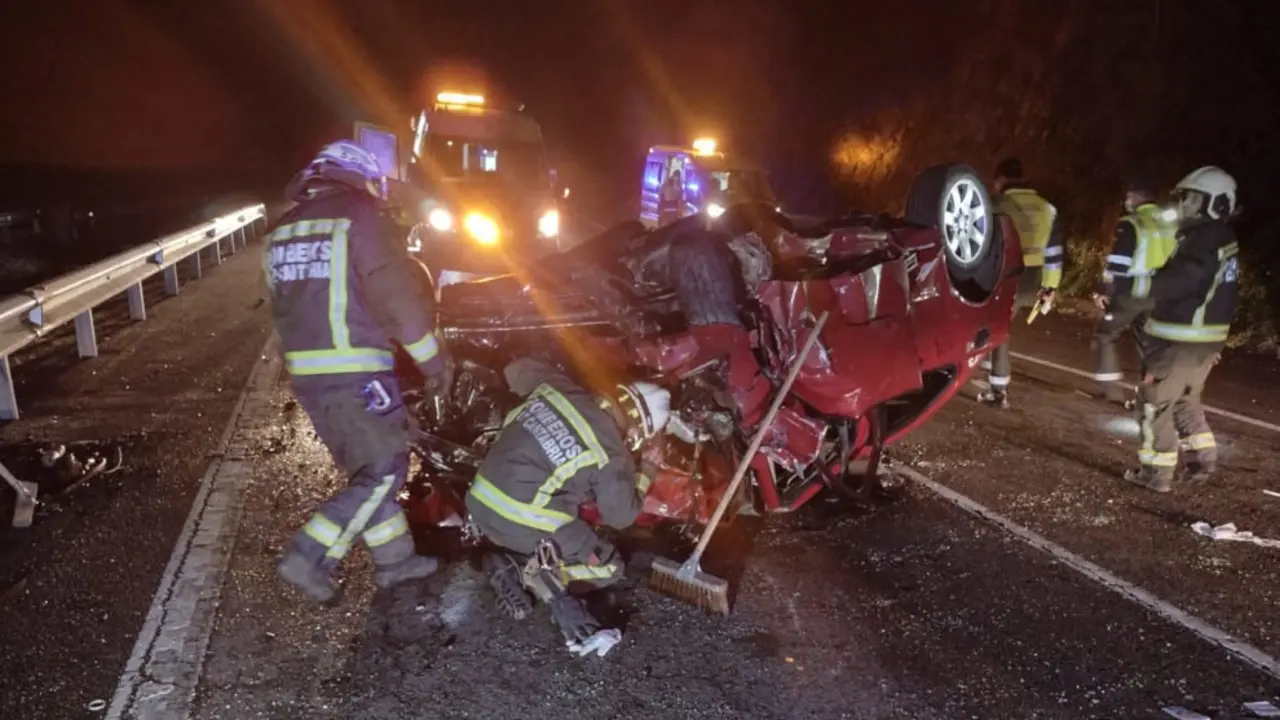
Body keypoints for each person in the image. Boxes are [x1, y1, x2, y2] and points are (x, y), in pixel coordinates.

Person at [263, 140, 455, 602]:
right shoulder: (359, 215)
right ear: (359, 177)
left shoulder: (283, 230)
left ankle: (396, 562)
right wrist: (434, 362)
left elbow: (284, 305)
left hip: (310, 376)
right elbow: (396, 300)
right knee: (388, 469)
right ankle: (309, 555)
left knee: (367, 473)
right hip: (355, 370)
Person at [465, 356, 669, 657]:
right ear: (638, 429)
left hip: (478, 500)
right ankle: (522, 571)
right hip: (519, 519)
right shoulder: (611, 453)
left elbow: (514, 369)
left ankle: (513, 553)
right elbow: (621, 516)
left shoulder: (560, 389)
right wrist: (648, 470)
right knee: (610, 567)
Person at [1125, 166, 1240, 493]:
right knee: (1186, 402)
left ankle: (1155, 473)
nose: (1184, 205)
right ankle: (1201, 462)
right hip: (1204, 341)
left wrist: (1141, 285)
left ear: (1214, 204)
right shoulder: (1220, 239)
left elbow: (1183, 279)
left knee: (1153, 403)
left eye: (1191, 198)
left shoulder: (1204, 239)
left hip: (1178, 340)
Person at [977, 157, 1065, 408]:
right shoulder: (1047, 208)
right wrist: (1050, 287)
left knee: (997, 328)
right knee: (998, 326)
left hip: (1005, 274)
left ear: (1001, 180)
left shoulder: (998, 204)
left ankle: (998, 389)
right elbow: (1054, 253)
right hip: (1033, 278)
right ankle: (990, 373)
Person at [1091, 177, 1179, 406]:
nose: (1127, 201)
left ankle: (1110, 391)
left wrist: (1105, 290)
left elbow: (1118, 263)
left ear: (1138, 197)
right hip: (1160, 294)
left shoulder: (1132, 223)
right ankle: (1147, 398)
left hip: (1132, 293)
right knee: (1148, 344)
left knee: (1106, 334)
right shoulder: (1171, 224)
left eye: (1129, 196)